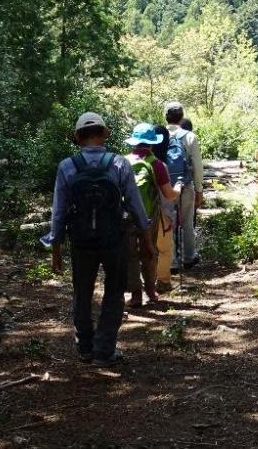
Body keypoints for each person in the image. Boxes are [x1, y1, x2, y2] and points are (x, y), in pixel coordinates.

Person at [41, 112, 153, 365]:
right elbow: (135, 205)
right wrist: (146, 240)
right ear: (104, 134)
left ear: (78, 137)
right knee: (114, 293)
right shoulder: (119, 164)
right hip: (114, 239)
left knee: (82, 292)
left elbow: (58, 211)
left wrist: (55, 248)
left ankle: (85, 348)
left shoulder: (67, 166)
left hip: (81, 242)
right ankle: (104, 351)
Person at [125, 123, 180, 306]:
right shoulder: (157, 165)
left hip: (127, 216)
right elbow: (168, 195)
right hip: (149, 216)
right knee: (149, 251)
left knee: (131, 254)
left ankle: (135, 295)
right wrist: (178, 189)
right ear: (151, 144)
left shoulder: (122, 162)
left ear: (134, 142)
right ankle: (151, 291)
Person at [164, 101, 203, 270]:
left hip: (164, 186)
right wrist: (199, 189)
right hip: (185, 185)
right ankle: (189, 257)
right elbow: (198, 166)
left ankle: (171, 261)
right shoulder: (189, 136)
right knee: (187, 221)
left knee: (168, 222)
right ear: (182, 117)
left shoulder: (159, 135)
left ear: (166, 117)